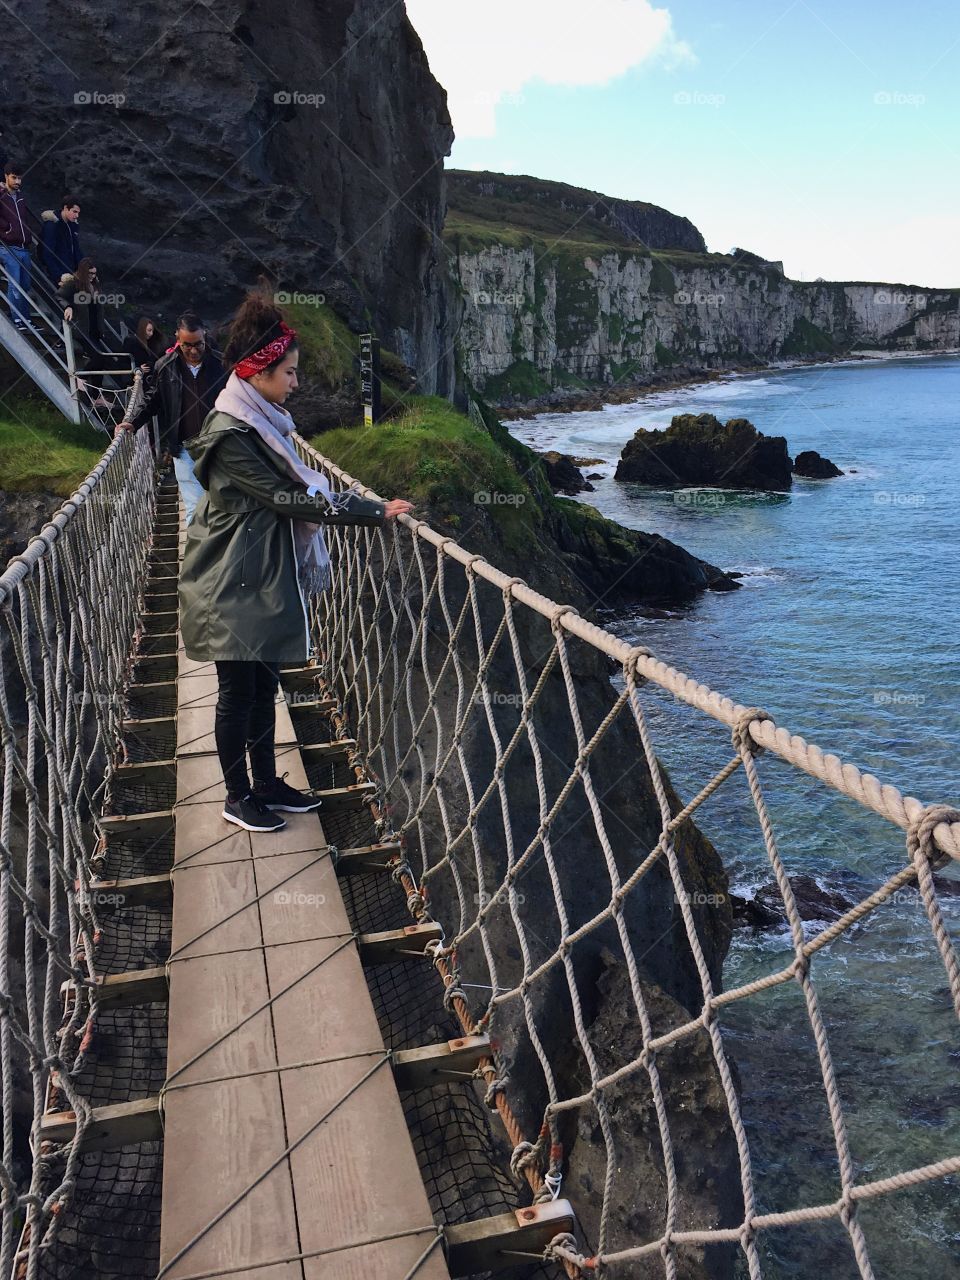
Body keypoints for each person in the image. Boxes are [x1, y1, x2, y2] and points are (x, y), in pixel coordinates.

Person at [177, 291, 414, 833]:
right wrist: (369, 511)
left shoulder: (263, 424)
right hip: (228, 582)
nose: (296, 383)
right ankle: (237, 798)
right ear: (258, 373)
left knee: (265, 686)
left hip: (256, 574)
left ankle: (265, 784)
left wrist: (372, 507)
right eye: (288, 372)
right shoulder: (235, 435)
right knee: (239, 691)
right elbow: (288, 499)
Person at [116, 312, 228, 523]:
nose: (194, 351)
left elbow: (238, 401)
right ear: (177, 338)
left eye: (199, 344)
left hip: (218, 446)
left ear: (205, 336)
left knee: (222, 505)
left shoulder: (221, 365)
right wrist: (133, 421)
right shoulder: (165, 367)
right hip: (183, 446)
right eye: (187, 345)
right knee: (194, 510)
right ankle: (200, 554)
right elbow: (153, 399)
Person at [59, 258, 113, 409]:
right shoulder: (74, 284)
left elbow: (97, 308)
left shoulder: (95, 285)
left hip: (94, 329)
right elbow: (60, 296)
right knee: (99, 357)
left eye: (94, 274)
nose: (92, 276)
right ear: (83, 271)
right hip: (81, 329)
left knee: (101, 359)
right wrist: (68, 307)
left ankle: (95, 397)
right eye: (90, 273)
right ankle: (82, 377)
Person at [0, 161, 38, 329]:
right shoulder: (1, 196)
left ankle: (26, 319)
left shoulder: (20, 197)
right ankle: (17, 319)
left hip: (23, 247)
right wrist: (6, 230)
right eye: (14, 178)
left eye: (19, 178)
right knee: (15, 284)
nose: (17, 181)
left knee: (25, 285)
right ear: (6, 177)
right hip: (8, 247)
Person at [39, 196, 82, 283]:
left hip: (71, 272)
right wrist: (58, 276)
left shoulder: (72, 225)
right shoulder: (52, 225)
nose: (77, 215)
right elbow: (47, 253)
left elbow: (76, 249)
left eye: (78, 212)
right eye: (74, 212)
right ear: (66, 208)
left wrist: (85, 268)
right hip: (60, 276)